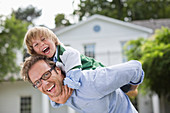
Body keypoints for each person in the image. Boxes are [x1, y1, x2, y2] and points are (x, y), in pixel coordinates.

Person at [24, 26, 134, 94]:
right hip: (90, 81)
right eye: (36, 44)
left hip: (95, 70)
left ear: (53, 39)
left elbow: (74, 75)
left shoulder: (67, 53)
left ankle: (131, 84)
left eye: (44, 39)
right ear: (34, 51)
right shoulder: (48, 63)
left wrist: (67, 85)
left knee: (121, 84)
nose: (42, 44)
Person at [20, 55, 144, 113]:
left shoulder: (90, 82)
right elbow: (53, 98)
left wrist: (129, 88)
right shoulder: (58, 92)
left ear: (58, 70)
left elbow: (135, 68)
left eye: (46, 75)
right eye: (37, 82)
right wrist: (57, 100)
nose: (45, 84)